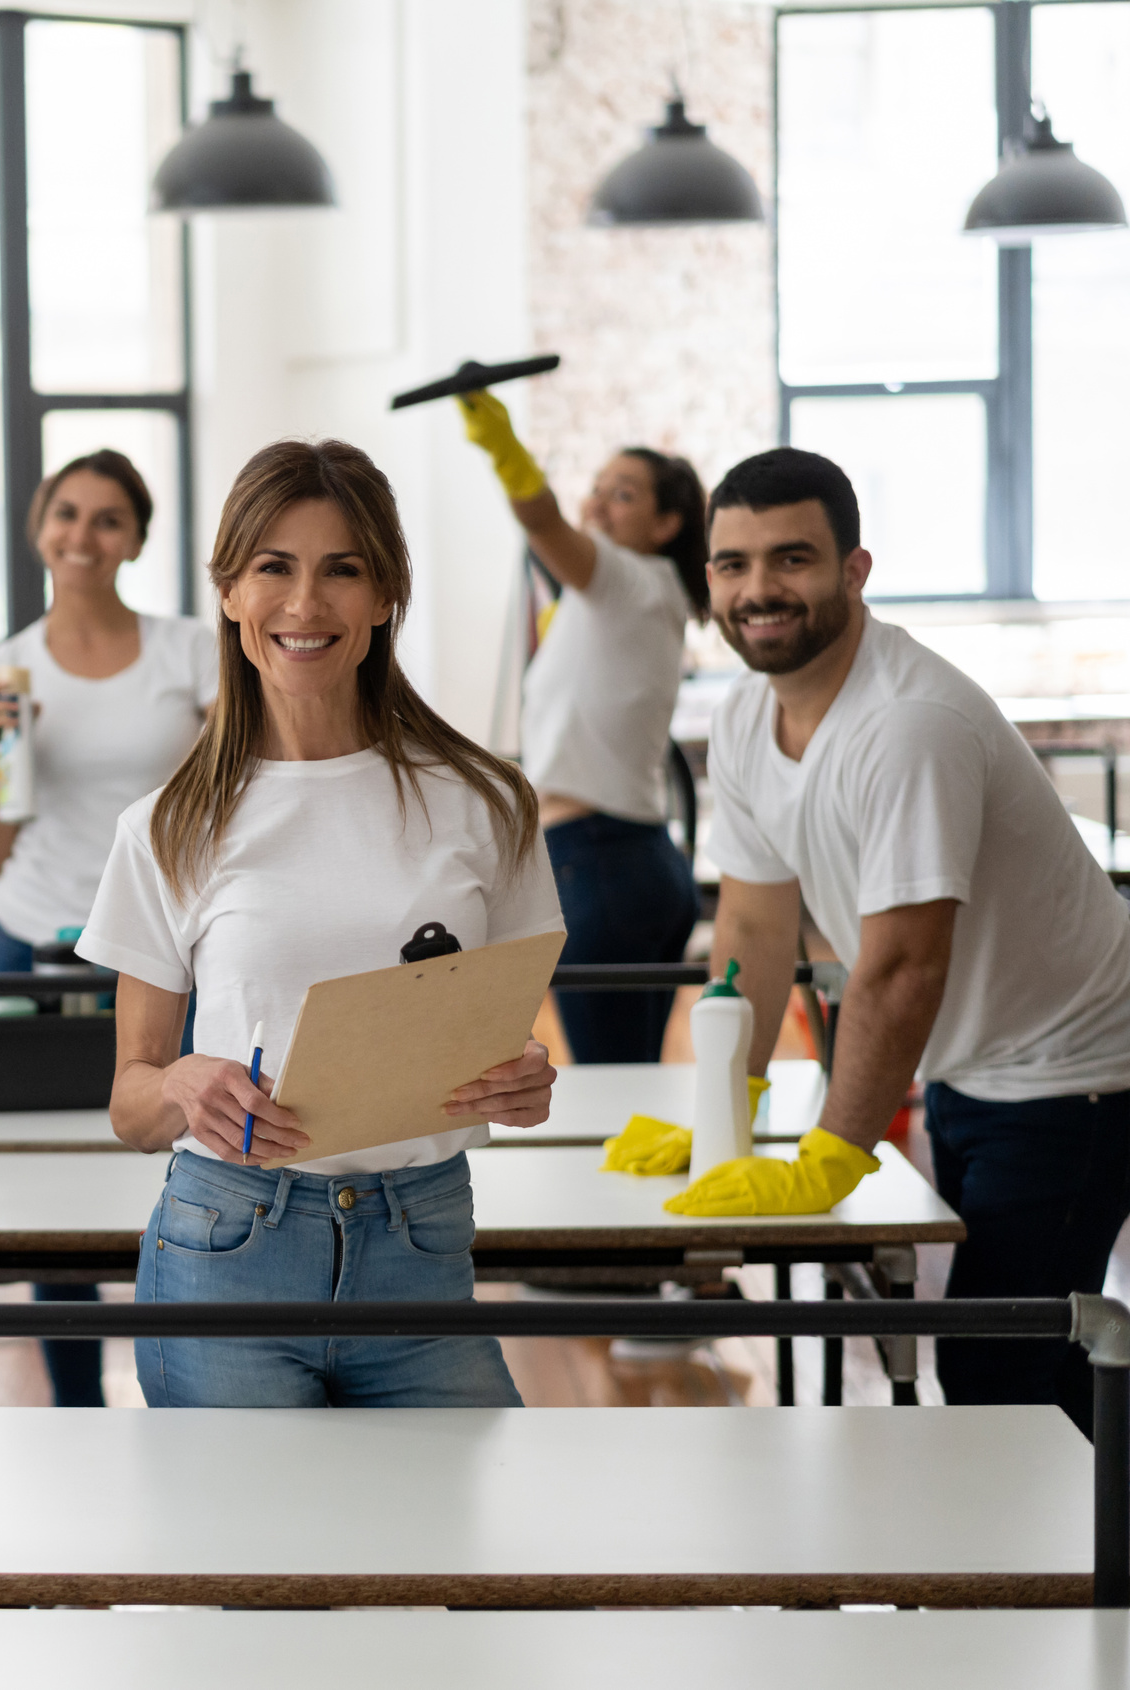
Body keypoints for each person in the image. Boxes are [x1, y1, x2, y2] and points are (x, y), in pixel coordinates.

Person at [77, 438, 561, 1409]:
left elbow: (513, 1050)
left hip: (422, 1248)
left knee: (459, 1561)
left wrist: (528, 1080)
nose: (305, 605)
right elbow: (132, 1107)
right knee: (251, 1564)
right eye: (275, 568)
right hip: (228, 1250)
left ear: (386, 594)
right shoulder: (170, 826)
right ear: (228, 591)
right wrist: (177, 1077)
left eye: (343, 569)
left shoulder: (486, 804)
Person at [671, 447, 1130, 1432]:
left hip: (1076, 1069)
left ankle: (1078, 1577)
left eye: (791, 559)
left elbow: (901, 967)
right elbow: (754, 922)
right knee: (1001, 1358)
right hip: (976, 1063)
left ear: (854, 570)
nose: (759, 590)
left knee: (1004, 1371)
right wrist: (727, 1096)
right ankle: (1044, 1567)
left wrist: (834, 1150)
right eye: (733, 563)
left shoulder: (908, 723)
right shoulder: (750, 713)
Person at [0, 448, 214, 1408]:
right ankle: (75, 1404)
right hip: (35, 943)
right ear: (39, 527)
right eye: (67, 513)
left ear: (137, 538)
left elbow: (230, 801)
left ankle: (184, 1383)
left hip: (165, 947)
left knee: (183, 1161)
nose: (84, 535)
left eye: (109, 518)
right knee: (52, 1193)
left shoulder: (193, 653)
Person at [455, 392, 707, 1063]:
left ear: (667, 524)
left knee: (608, 1090)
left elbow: (543, 522)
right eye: (595, 488)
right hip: (635, 861)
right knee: (633, 1084)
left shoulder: (627, 579)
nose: (597, 504)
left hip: (598, 865)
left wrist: (503, 450)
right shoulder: (640, 595)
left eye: (622, 495)